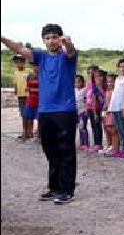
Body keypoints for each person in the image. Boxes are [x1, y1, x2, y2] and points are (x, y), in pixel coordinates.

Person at [1, 25, 78, 204]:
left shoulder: (68, 57)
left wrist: (68, 42)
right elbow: (19, 49)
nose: (51, 41)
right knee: (50, 150)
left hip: (65, 111)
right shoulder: (41, 57)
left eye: (54, 37)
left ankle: (67, 190)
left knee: (65, 150)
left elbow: (70, 50)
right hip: (45, 111)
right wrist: (3, 39)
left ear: (59, 39)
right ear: (43, 40)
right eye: (48, 38)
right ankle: (54, 187)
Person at [109, 59, 124, 158]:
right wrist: (111, 107)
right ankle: (123, 148)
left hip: (122, 106)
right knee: (119, 129)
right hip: (115, 106)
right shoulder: (118, 78)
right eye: (120, 66)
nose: (122, 69)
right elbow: (115, 93)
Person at [12, 54, 31, 139]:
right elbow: (15, 84)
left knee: (29, 114)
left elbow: (31, 83)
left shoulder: (28, 72)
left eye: (20, 62)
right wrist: (15, 90)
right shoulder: (15, 73)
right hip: (20, 97)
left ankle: (29, 131)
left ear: (24, 63)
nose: (18, 64)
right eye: (16, 62)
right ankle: (24, 131)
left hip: (28, 96)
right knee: (23, 114)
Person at [86, 66, 105, 152]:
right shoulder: (88, 83)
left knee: (98, 126)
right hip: (90, 107)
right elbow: (87, 96)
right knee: (94, 126)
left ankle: (99, 143)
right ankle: (96, 143)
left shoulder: (101, 85)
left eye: (92, 73)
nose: (90, 75)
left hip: (99, 108)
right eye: (89, 73)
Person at [100, 72, 118, 155]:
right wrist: (104, 109)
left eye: (111, 81)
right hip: (107, 112)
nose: (109, 83)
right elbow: (106, 103)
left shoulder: (116, 91)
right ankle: (110, 146)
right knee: (108, 130)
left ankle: (115, 147)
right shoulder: (108, 91)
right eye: (108, 82)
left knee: (114, 130)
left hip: (113, 112)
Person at [23, 62, 39, 137]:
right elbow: (26, 88)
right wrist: (27, 96)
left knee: (39, 117)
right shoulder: (28, 76)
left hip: (39, 99)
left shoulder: (43, 76)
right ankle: (30, 132)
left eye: (37, 66)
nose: (36, 68)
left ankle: (39, 132)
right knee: (29, 116)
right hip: (30, 98)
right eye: (34, 66)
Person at [75, 75, 89, 149]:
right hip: (75, 111)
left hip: (82, 111)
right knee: (79, 128)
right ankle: (81, 143)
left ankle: (85, 143)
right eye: (75, 82)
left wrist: (86, 109)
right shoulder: (74, 90)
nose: (77, 83)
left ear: (82, 82)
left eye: (79, 81)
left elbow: (86, 100)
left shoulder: (85, 89)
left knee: (83, 127)